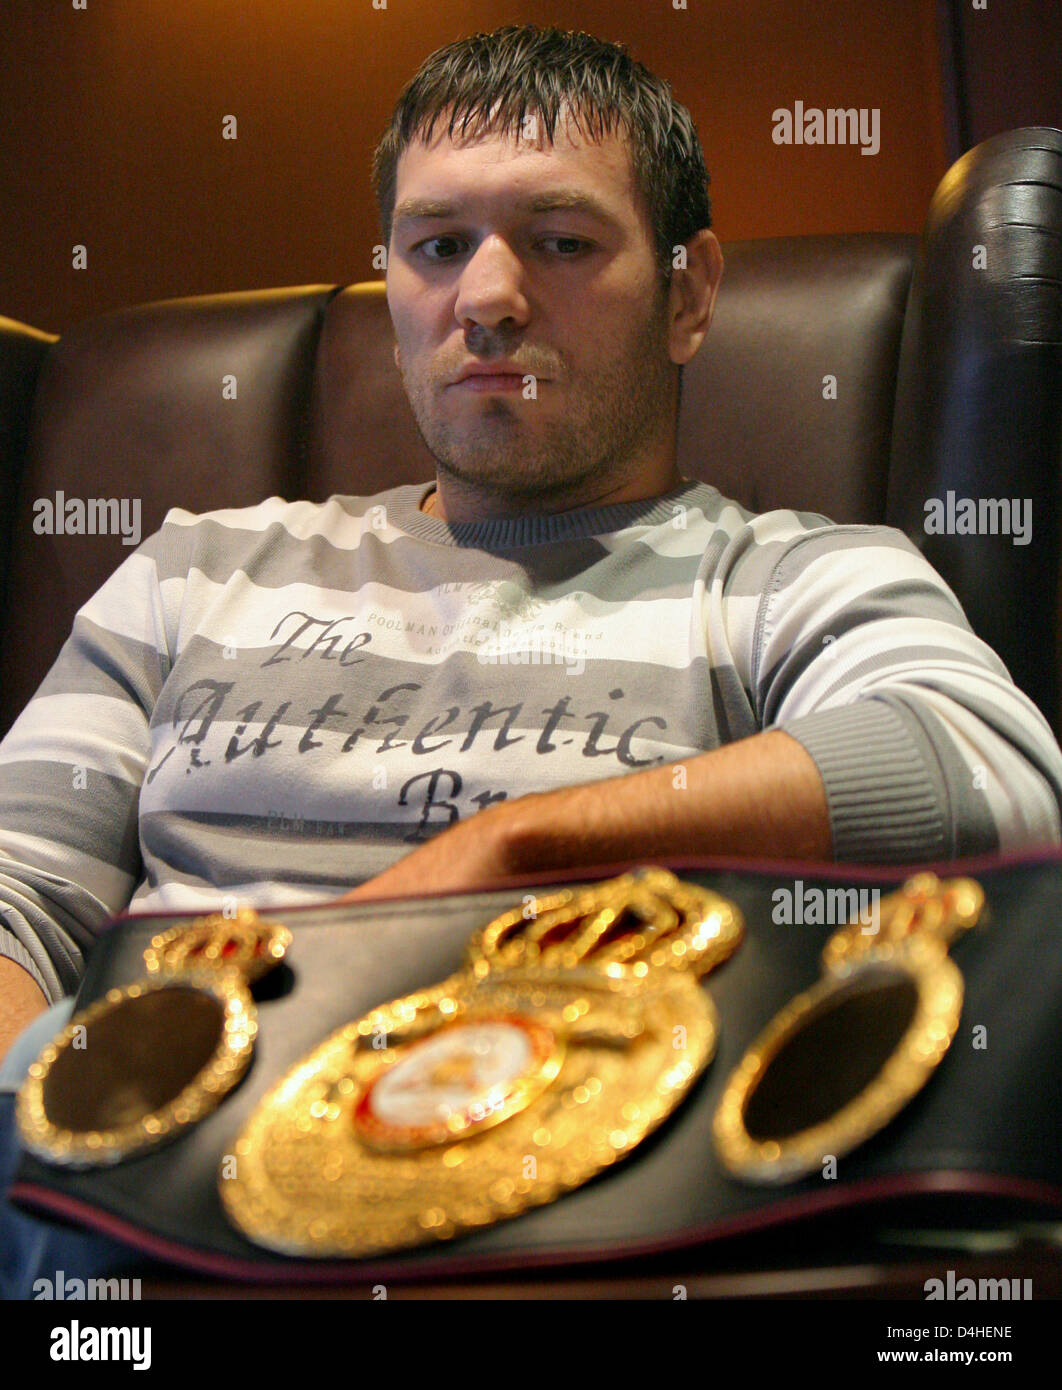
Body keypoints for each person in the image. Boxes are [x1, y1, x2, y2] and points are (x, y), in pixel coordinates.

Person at [1, 23, 1061, 1287]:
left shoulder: (792, 574)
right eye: (438, 246)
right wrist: (66, 1150)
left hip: (541, 1189)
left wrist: (493, 853)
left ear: (688, 292)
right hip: (126, 1200)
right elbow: (17, 899)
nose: (487, 296)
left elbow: (987, 770)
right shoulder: (195, 568)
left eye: (560, 242)